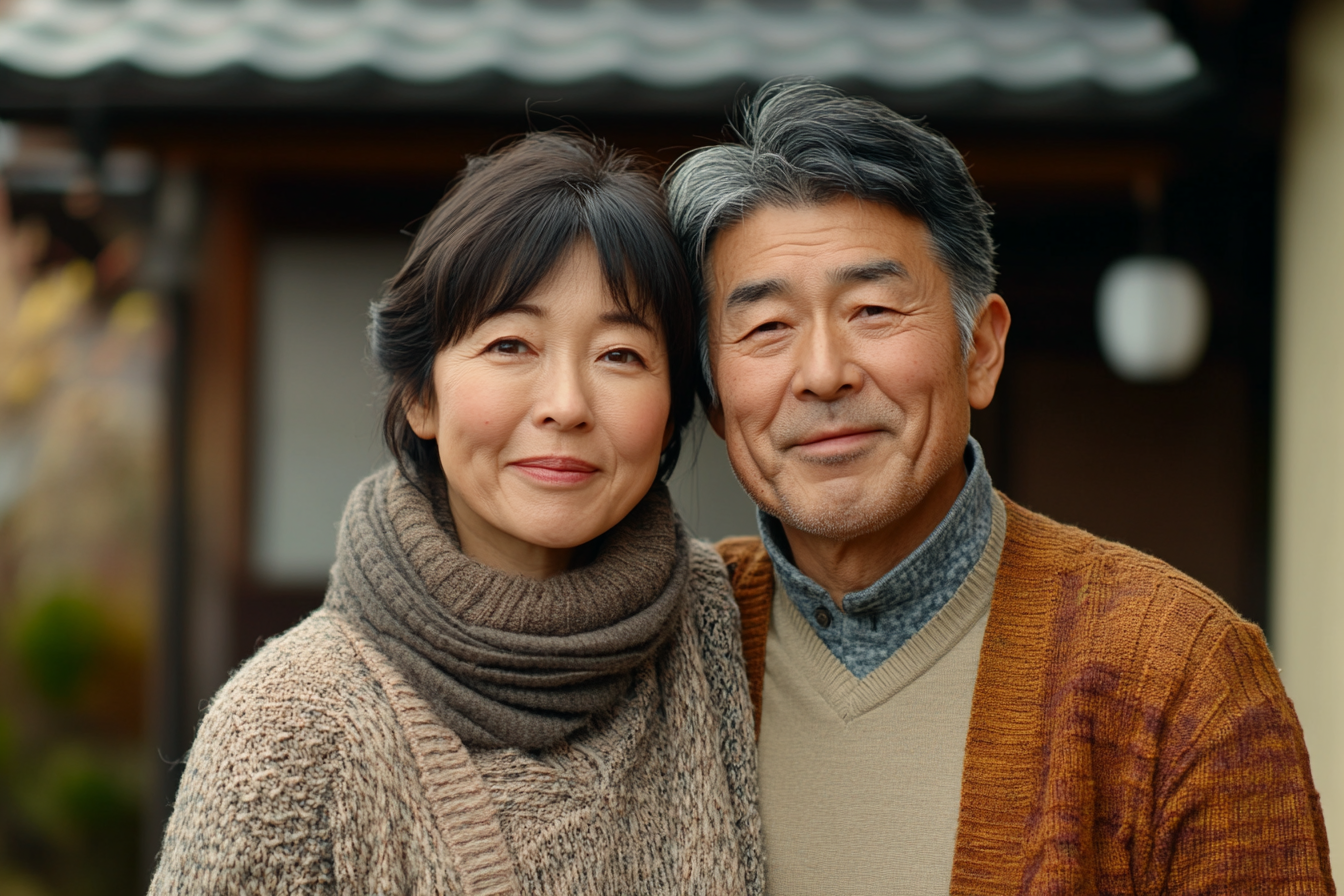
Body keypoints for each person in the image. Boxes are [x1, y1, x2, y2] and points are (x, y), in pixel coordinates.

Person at [665, 79, 1333, 895]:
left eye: (873, 309)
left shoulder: (1179, 671)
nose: (823, 374)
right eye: (766, 327)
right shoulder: (673, 644)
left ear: (979, 351)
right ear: (711, 397)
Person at [149, 131, 763, 895]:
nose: (566, 405)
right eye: (511, 344)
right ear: (420, 395)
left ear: (674, 411)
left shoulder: (733, 630)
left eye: (620, 355)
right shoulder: (287, 731)